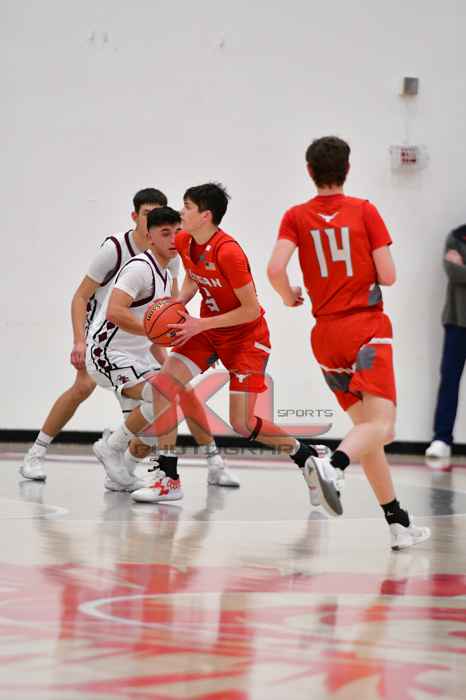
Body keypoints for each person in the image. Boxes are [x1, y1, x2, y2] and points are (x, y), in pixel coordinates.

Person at [97, 183, 342, 512]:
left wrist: (200, 324)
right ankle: (167, 478)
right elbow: (193, 278)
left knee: (243, 423)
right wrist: (178, 303)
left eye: (187, 207)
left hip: (245, 338)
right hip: (209, 330)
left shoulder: (229, 252)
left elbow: (250, 310)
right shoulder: (185, 240)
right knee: (164, 386)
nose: (181, 212)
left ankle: (307, 454)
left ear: (206, 215)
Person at [267, 136, 431, 550]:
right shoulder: (364, 211)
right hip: (366, 328)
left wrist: (288, 297)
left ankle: (397, 522)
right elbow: (388, 275)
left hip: (325, 336)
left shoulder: (295, 216)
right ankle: (333, 465)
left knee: (367, 431)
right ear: (348, 169)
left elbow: (275, 269)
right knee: (383, 427)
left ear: (310, 171)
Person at [20, 187, 168, 482]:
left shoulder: (166, 253)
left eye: (157, 215)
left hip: (134, 338)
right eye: (146, 214)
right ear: (134, 216)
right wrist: (79, 340)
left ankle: (120, 470)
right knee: (83, 386)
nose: (152, 220)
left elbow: (161, 308)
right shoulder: (115, 249)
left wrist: (164, 352)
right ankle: (35, 454)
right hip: (102, 332)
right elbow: (81, 296)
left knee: (152, 412)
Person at [90, 205, 239, 490]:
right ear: (149, 237)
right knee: (163, 395)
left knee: (162, 409)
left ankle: (122, 471)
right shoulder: (139, 269)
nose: (173, 239)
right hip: (106, 353)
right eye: (165, 233)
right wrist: (152, 332)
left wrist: (198, 349)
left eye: (177, 232)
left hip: (136, 355)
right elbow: (114, 311)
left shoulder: (168, 272)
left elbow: (170, 322)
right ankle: (113, 448)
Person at [425, 225, 466, 459]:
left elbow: (461, 271)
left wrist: (463, 265)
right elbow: (453, 272)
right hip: (457, 321)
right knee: (449, 381)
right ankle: (441, 439)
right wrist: (458, 268)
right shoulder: (458, 236)